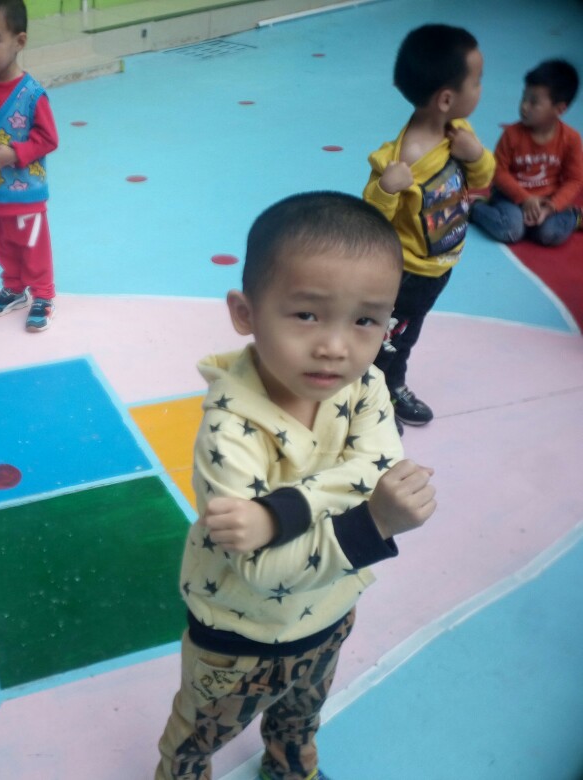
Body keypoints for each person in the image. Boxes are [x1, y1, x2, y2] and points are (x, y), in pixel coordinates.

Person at [155, 192, 437, 780]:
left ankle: (289, 767)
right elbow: (261, 569)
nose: (335, 346)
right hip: (238, 633)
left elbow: (381, 465)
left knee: (302, 715)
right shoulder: (228, 430)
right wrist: (373, 522)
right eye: (307, 314)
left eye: (366, 320)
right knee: (198, 736)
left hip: (332, 608)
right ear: (245, 312)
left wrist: (282, 511)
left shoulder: (365, 385)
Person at [363, 24, 494, 432]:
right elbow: (370, 219)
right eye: (478, 81)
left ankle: (392, 386)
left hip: (440, 266)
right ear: (447, 98)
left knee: (406, 336)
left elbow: (482, 179)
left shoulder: (460, 134)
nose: (482, 89)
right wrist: (387, 188)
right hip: (406, 274)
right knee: (385, 341)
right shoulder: (397, 160)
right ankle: (368, 406)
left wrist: (476, 155)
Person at [0, 0, 59, 332]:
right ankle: (15, 288)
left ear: (19, 41)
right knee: (2, 244)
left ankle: (43, 295)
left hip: (28, 194)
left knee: (33, 246)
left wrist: (14, 153)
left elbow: (48, 138)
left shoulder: (32, 94)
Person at [471, 59, 583, 246]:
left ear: (559, 109)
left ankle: (574, 216)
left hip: (547, 200)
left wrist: (552, 206)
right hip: (510, 197)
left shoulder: (571, 138)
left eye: (533, 102)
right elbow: (498, 172)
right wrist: (525, 199)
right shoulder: (512, 135)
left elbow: (574, 179)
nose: (524, 106)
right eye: (524, 98)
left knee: (550, 234)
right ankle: (475, 207)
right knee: (511, 230)